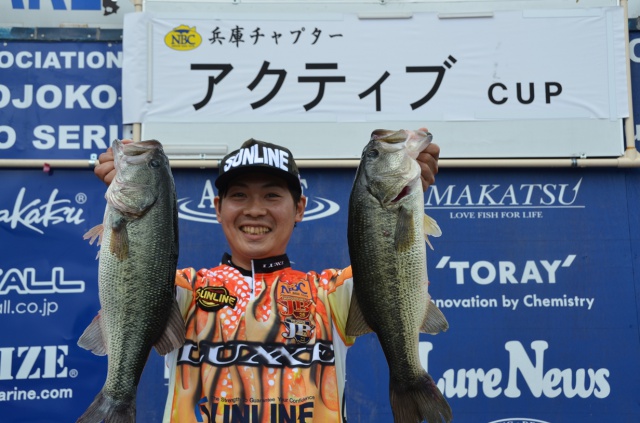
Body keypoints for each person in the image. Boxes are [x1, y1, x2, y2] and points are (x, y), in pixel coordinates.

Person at [93, 133, 440, 423]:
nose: (255, 209)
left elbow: (390, 267)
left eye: (272, 195)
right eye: (239, 195)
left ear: (300, 208)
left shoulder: (332, 294)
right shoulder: (182, 291)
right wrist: (129, 183)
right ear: (217, 208)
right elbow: (132, 272)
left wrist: (408, 193)